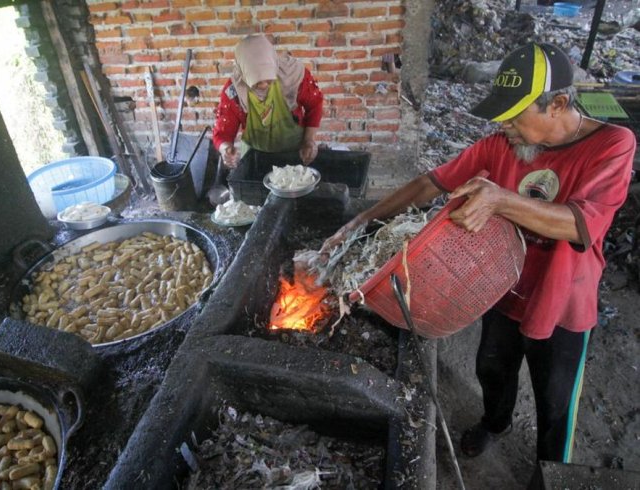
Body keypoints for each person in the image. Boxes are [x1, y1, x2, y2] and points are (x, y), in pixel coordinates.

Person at [320, 42, 636, 463]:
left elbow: (581, 224)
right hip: (500, 285)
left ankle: (549, 472)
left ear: (558, 104)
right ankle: (496, 422)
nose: (504, 125)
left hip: (561, 300)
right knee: (492, 367)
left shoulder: (612, 145)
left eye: (515, 115)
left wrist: (500, 199)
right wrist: (360, 222)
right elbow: (431, 183)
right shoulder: (500, 146)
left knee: (554, 401)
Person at [212, 35, 324, 168]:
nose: (264, 85)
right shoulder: (234, 91)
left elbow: (315, 104)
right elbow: (223, 133)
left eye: (269, 80)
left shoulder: (291, 74)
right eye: (257, 82)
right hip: (255, 155)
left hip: (295, 150)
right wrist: (226, 149)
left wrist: (309, 140)